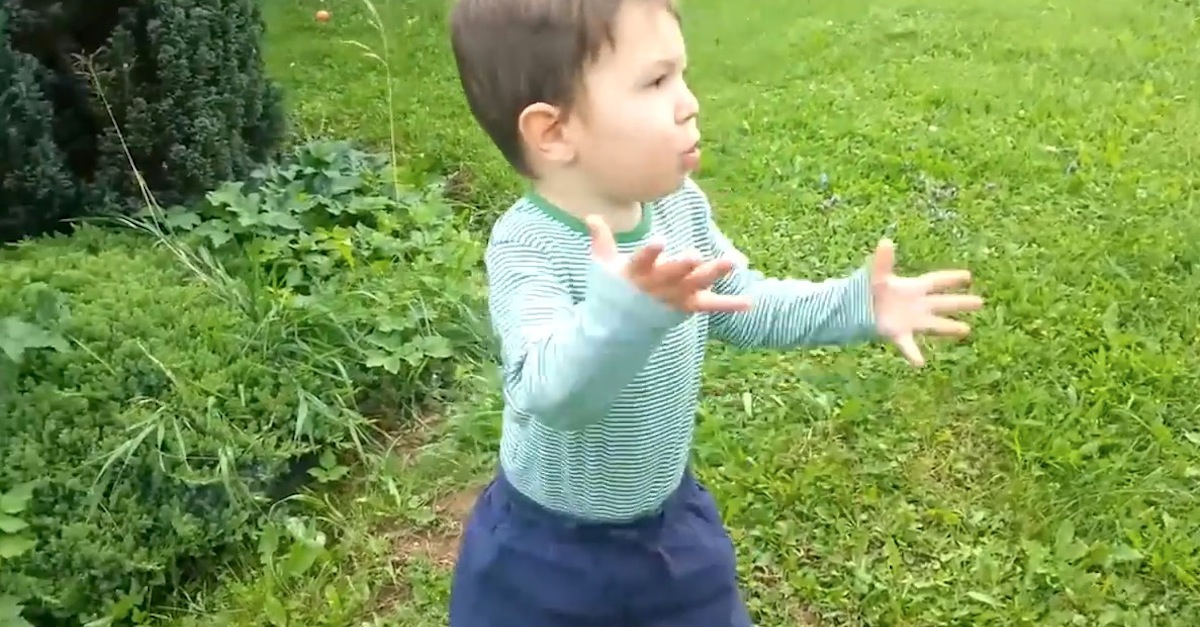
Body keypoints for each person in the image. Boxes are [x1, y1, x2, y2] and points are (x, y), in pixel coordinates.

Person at [445, 0, 984, 625]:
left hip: (667, 532)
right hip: (541, 554)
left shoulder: (678, 210)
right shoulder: (529, 245)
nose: (689, 101)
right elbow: (548, 391)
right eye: (655, 81)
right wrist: (621, 315)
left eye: (681, 74)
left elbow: (740, 303)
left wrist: (854, 303)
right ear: (553, 132)